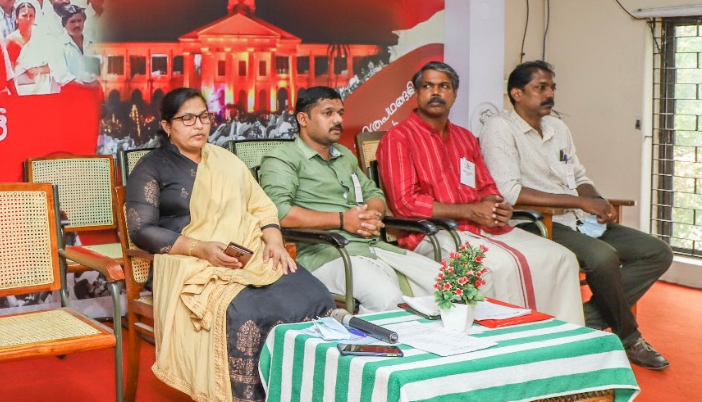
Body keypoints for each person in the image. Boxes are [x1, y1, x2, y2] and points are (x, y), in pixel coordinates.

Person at [125, 87, 333, 402]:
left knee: (314, 295)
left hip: (245, 252)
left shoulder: (226, 161)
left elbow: (262, 207)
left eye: (204, 117)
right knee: (246, 313)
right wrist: (201, 248)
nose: (198, 125)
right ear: (167, 126)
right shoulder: (152, 167)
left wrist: (273, 239)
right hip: (185, 259)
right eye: (187, 119)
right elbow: (141, 230)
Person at [481, 61, 672, 369]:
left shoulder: (557, 128)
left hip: (578, 220)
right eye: (540, 88)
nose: (550, 94)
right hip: (535, 223)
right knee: (603, 257)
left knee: (657, 251)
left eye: (552, 87)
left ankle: (580, 321)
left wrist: (596, 199)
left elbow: (579, 176)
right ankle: (629, 337)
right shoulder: (499, 128)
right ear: (517, 93)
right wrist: (580, 202)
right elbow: (509, 191)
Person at [377, 61, 583, 324]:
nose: (436, 92)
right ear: (416, 93)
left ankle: (559, 335)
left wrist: (497, 206)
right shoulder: (398, 138)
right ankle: (505, 340)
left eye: (444, 86)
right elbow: (406, 204)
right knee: (493, 269)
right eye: (428, 86)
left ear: (454, 94)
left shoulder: (464, 137)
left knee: (561, 258)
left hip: (484, 228)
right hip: (432, 234)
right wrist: (470, 211)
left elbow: (487, 187)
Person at [261, 87, 441, 312]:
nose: (338, 120)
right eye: (328, 113)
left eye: (340, 113)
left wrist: (370, 215)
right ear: (303, 119)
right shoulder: (282, 158)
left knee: (446, 285)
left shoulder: (344, 155)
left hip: (372, 247)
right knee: (387, 299)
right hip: (327, 253)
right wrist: (342, 220)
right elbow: (279, 213)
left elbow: (374, 194)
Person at [57, 4, 99, 84]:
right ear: (64, 24)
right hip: (70, 89)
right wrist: (85, 86)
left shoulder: (91, 43)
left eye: (79, 21)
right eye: (72, 22)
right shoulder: (58, 45)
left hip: (93, 89)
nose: (77, 25)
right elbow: (62, 76)